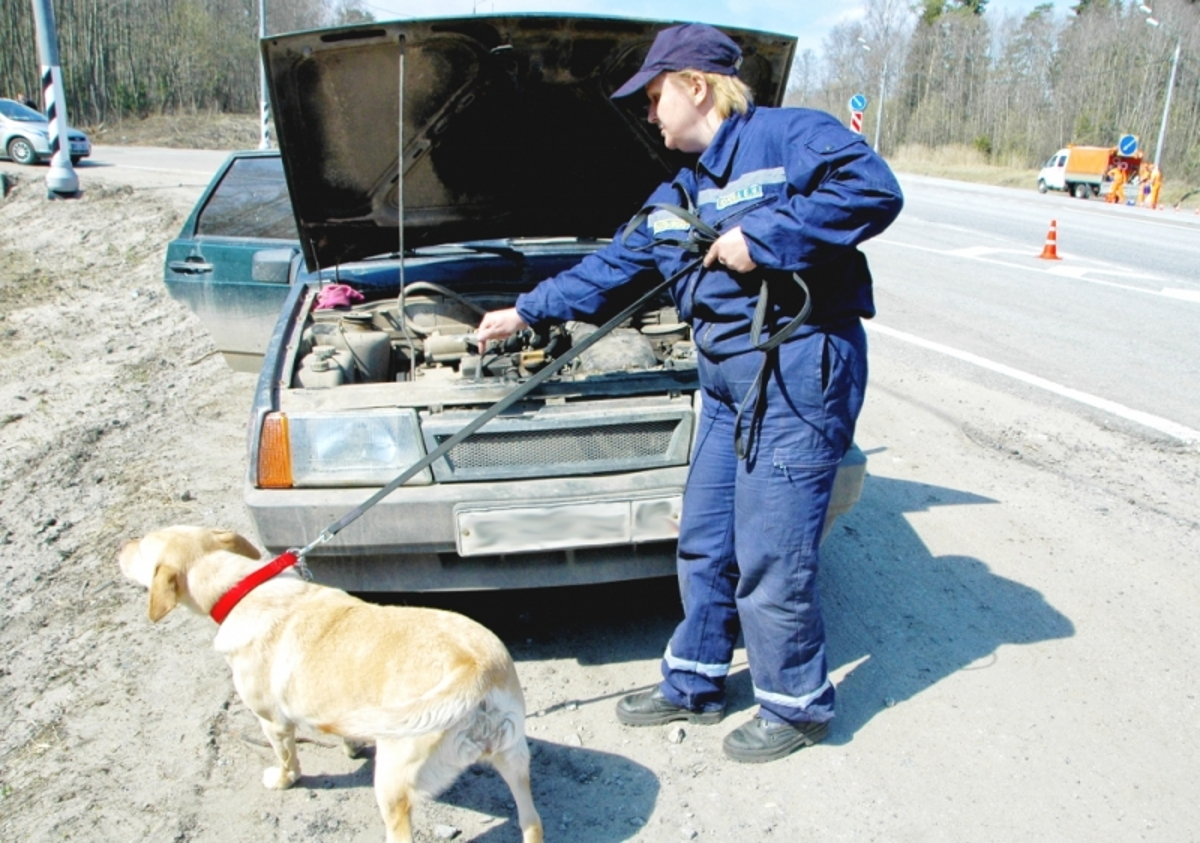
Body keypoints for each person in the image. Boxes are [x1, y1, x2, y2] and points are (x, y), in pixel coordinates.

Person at [477, 23, 903, 763]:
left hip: (798, 370)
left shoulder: (789, 136)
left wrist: (766, 236)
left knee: (773, 550)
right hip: (726, 385)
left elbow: (874, 189)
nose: (649, 114)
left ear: (695, 85)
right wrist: (525, 309)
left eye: (653, 97)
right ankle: (698, 676)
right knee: (705, 537)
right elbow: (610, 269)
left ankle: (797, 701)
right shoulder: (680, 191)